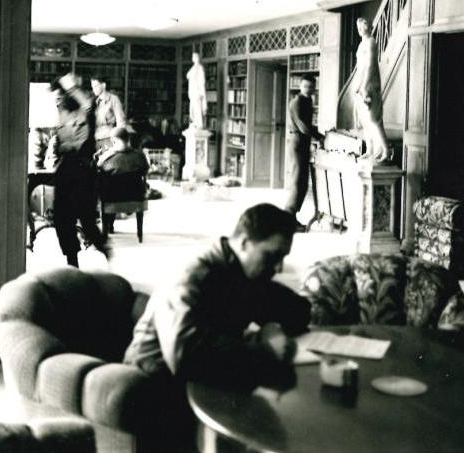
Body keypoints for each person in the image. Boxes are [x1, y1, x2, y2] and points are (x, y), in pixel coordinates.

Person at [124, 203, 310, 388]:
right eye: (272, 256)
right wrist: (264, 350)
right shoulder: (192, 277)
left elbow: (298, 311)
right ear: (244, 243)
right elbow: (185, 356)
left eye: (282, 257)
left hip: (201, 381)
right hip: (151, 383)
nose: (279, 268)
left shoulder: (245, 270)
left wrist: (272, 329)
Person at [49, 73, 110, 266]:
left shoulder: (85, 111)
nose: (59, 100)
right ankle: (72, 260)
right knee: (61, 218)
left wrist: (70, 86)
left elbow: (87, 104)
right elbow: (59, 143)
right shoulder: (62, 114)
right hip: (65, 168)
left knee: (86, 219)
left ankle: (106, 252)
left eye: (63, 95)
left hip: (84, 169)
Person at [285, 74, 324, 229]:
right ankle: (288, 217)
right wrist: (318, 137)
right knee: (297, 181)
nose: (308, 89)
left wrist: (320, 136)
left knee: (303, 182)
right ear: (300, 86)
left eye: (311, 87)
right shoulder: (297, 102)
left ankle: (292, 217)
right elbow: (303, 126)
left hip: (304, 143)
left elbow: (308, 126)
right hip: (297, 143)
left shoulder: (308, 101)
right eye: (305, 86)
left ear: (314, 88)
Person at [96, 125, 150, 235]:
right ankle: (138, 232)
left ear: (113, 141)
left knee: (106, 187)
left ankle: (108, 226)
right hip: (135, 196)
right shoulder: (139, 156)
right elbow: (145, 170)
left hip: (111, 199)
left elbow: (99, 170)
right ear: (128, 139)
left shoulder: (106, 157)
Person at [352, 17, 390, 162]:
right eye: (359, 28)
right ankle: (370, 150)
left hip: (369, 84)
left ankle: (386, 150)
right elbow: (359, 67)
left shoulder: (371, 42)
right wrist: (357, 85)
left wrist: (364, 85)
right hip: (360, 83)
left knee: (373, 119)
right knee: (365, 121)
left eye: (363, 27)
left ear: (369, 27)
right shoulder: (361, 44)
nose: (360, 30)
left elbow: (370, 65)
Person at [90, 74, 127, 151]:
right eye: (92, 87)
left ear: (103, 85)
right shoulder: (95, 102)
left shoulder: (113, 99)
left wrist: (118, 141)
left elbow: (121, 122)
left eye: (96, 86)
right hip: (97, 140)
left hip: (109, 139)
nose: (93, 89)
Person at [186, 52, 207, 130]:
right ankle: (194, 122)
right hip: (193, 91)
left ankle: (199, 123)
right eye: (193, 57)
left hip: (197, 91)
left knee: (197, 108)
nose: (194, 59)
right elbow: (188, 75)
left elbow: (202, 80)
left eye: (195, 57)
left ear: (197, 58)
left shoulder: (200, 68)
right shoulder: (193, 67)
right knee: (193, 108)